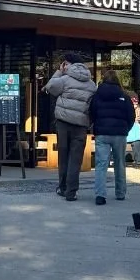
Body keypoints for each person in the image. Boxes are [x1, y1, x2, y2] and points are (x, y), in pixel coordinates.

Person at [44, 54, 96, 202]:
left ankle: (63, 187)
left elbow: (50, 87)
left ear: (70, 64)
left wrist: (59, 72)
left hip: (63, 122)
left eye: (65, 64)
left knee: (64, 156)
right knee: (76, 159)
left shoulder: (65, 79)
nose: (64, 66)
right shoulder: (91, 84)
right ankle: (71, 192)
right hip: (81, 125)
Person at [89, 69, 136, 205]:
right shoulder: (124, 96)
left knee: (101, 165)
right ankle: (120, 193)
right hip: (119, 134)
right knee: (120, 164)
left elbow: (92, 113)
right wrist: (125, 129)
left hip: (102, 133)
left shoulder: (97, 95)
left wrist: (96, 127)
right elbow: (131, 116)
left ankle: (100, 195)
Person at [127, 94, 140, 168]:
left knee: (138, 141)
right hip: (127, 131)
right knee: (137, 141)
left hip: (135, 131)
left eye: (136, 102)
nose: (135, 104)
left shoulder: (139, 109)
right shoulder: (126, 108)